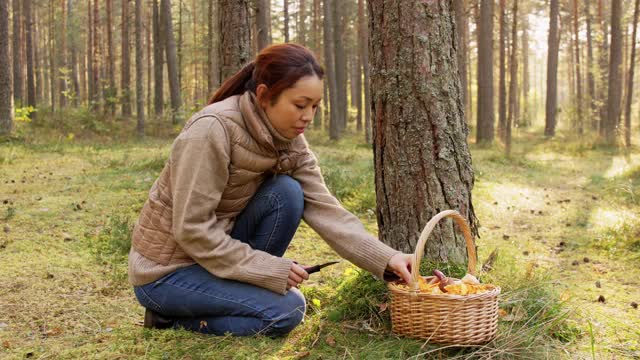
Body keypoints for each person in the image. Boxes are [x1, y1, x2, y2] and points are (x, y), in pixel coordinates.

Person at [128, 43, 413, 337]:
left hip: (213, 257)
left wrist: (387, 259)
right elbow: (192, 230)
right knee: (287, 311)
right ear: (264, 95)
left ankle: (236, 297)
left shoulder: (289, 138)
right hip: (166, 273)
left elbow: (326, 208)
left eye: (315, 106)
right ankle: (168, 318)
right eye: (300, 105)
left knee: (287, 192)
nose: (308, 116)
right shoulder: (211, 130)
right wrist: (267, 268)